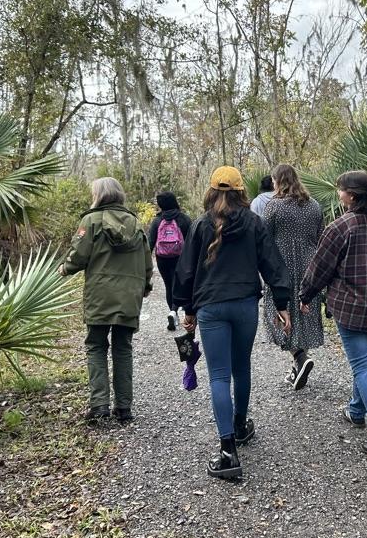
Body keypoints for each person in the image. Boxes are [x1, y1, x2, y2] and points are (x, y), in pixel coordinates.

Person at [174, 166, 291, 480]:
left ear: (211, 190)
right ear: (241, 191)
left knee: (219, 376)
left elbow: (185, 271)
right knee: (242, 368)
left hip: (211, 308)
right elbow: (272, 262)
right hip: (244, 306)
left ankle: (228, 452)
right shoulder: (253, 223)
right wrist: (282, 302)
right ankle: (241, 425)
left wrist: (187, 310)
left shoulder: (200, 225)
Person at [300, 170, 367, 457]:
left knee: (362, 367)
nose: (339, 193)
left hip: (351, 310)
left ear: (353, 195)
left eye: (341, 189)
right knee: (364, 362)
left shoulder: (340, 228)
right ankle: (356, 411)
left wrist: (305, 295)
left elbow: (320, 267)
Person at [61, 177, 153, 424]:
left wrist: (64, 269)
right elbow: (147, 261)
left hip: (100, 295)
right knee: (123, 348)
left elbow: (79, 255)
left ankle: (99, 404)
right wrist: (145, 286)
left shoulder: (90, 221)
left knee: (96, 346)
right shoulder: (135, 223)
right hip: (128, 297)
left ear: (98, 195)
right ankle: (124, 408)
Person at [262, 163, 325, 390]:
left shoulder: (274, 207)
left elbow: (265, 239)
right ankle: (299, 366)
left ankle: (299, 357)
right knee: (302, 314)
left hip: (282, 267)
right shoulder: (315, 206)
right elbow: (321, 237)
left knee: (278, 314)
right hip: (310, 268)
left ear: (278, 180)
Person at [147, 191, 192, 331]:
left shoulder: (157, 221)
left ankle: (173, 313)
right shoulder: (184, 219)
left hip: (162, 258)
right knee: (181, 284)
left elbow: (150, 243)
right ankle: (181, 312)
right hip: (181, 258)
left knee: (168, 285)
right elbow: (192, 241)